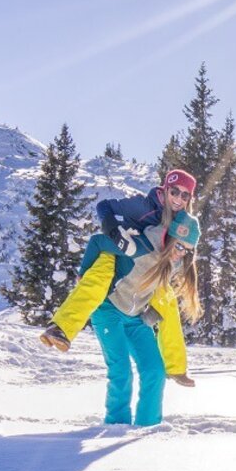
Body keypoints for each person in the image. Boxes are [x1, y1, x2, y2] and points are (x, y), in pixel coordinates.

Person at [40, 168, 197, 351]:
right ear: (165, 189)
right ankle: (60, 328)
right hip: (116, 251)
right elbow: (103, 207)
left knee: (165, 294)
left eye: (185, 196)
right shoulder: (143, 206)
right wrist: (113, 230)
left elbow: (174, 258)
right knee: (97, 282)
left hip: (138, 265)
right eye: (174, 192)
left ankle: (174, 365)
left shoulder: (180, 221)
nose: (179, 199)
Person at [86, 209, 203, 427]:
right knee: (121, 371)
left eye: (187, 250)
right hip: (108, 309)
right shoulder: (143, 246)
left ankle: (147, 428)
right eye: (179, 245)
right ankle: (116, 426)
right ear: (170, 237)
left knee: (154, 371)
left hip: (135, 317)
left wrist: (151, 313)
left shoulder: (173, 264)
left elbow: (161, 296)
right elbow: (103, 248)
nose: (181, 253)